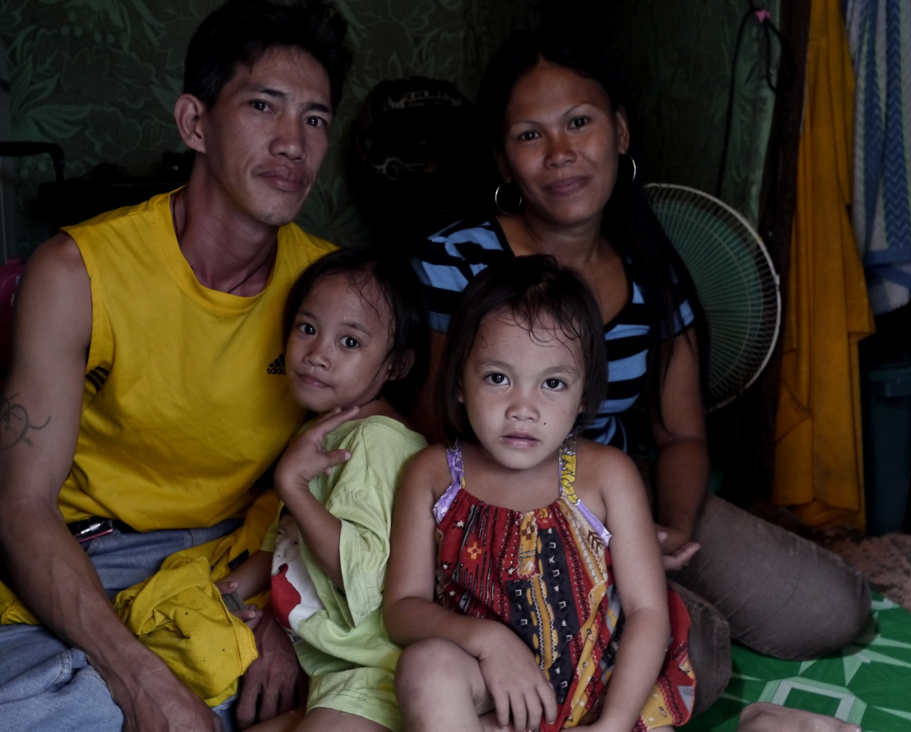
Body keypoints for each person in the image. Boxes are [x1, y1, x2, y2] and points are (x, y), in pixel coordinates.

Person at [409, 27, 872, 715]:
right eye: (530, 135)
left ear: (619, 132)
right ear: (503, 161)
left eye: (579, 123)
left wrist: (670, 530)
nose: (560, 152)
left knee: (831, 609)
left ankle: (647, 599)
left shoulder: (651, 269)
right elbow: (433, 424)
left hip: (627, 492)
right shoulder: (457, 259)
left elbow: (679, 434)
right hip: (509, 507)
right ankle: (634, 622)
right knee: (698, 663)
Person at [0, 1, 354, 729]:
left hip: (237, 568)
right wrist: (142, 683)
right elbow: (22, 507)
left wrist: (285, 614)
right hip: (89, 557)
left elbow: (361, 476)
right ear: (194, 123)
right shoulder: (77, 273)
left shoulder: (334, 297)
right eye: (263, 106)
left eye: (315, 119)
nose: (293, 143)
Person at [385, 256, 697, 732]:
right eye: (498, 378)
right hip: (498, 703)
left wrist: (613, 724)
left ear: (583, 397)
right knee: (425, 667)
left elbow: (647, 612)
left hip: (604, 700)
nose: (523, 409)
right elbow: (402, 609)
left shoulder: (606, 475)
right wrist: (489, 642)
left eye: (552, 383)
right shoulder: (433, 475)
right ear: (459, 382)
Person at [215, 246, 429, 732]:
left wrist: (292, 486)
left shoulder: (375, 441)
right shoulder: (322, 432)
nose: (316, 354)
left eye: (349, 342)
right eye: (307, 329)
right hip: (329, 675)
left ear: (396, 365)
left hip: (373, 676)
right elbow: (283, 547)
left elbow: (362, 577)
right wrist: (219, 597)